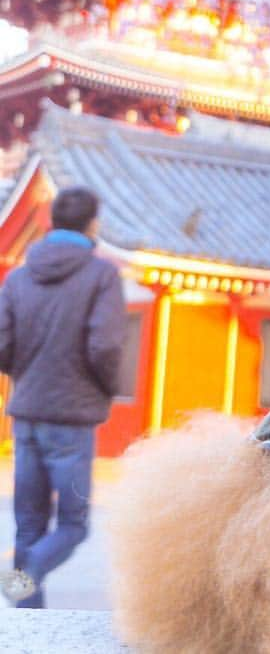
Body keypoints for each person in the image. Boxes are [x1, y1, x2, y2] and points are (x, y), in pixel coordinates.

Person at [0, 185, 126, 607]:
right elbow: (105, 347)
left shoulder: (19, 276)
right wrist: (106, 389)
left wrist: (28, 376)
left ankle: (26, 620)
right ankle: (26, 573)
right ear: (93, 224)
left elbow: (2, 346)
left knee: (29, 524)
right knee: (74, 525)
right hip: (72, 419)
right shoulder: (101, 276)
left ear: (52, 221)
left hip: (27, 414)